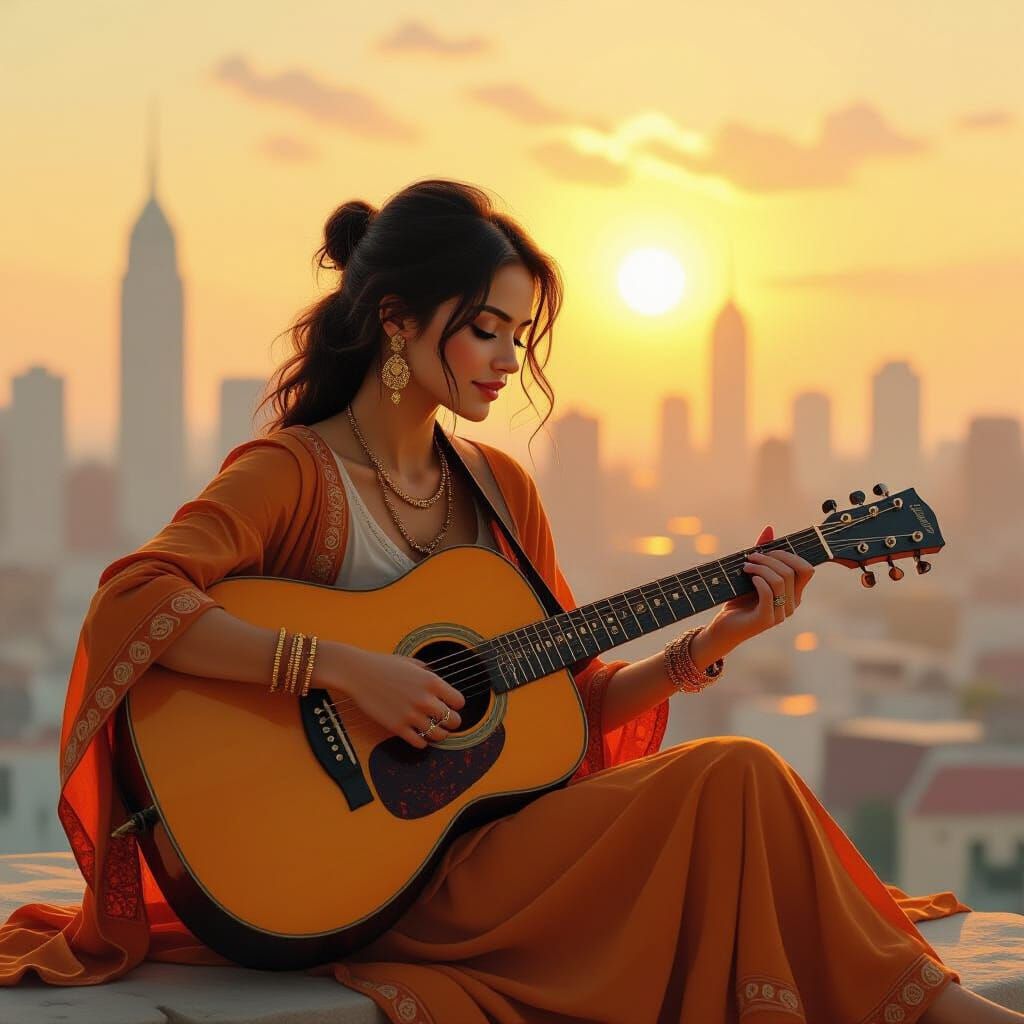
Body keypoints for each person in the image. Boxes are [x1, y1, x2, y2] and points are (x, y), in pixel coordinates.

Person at [0, 179, 1018, 1024]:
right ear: (396, 321)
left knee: (737, 773)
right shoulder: (293, 475)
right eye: (485, 329)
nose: (507, 359)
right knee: (738, 775)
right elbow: (133, 601)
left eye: (518, 333)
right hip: (359, 875)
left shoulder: (500, 490)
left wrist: (710, 644)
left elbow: (563, 707)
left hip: (486, 849)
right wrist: (351, 669)